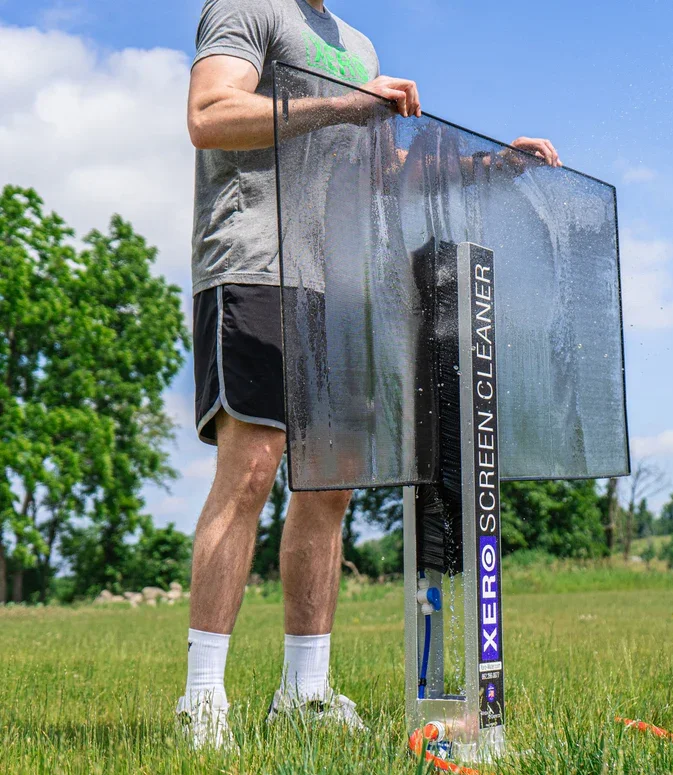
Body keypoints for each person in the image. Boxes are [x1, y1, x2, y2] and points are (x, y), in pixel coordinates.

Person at [180, 0, 562, 749]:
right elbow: (209, 112)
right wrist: (342, 105)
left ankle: (305, 691)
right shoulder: (246, 7)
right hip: (257, 265)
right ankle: (202, 700)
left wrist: (486, 167)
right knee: (251, 469)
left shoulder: (357, 44)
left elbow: (381, 177)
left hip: (341, 284)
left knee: (332, 485)